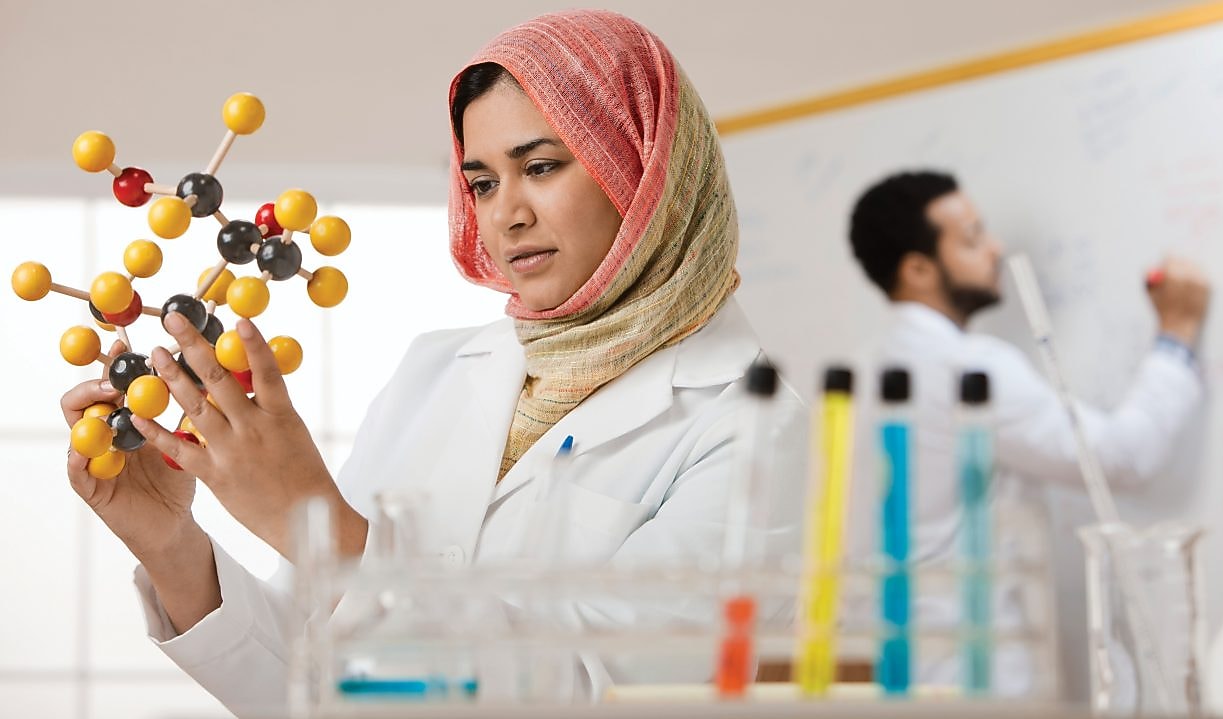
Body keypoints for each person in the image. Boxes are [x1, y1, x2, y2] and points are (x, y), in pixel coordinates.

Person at [58, 10, 804, 715]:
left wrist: (315, 525)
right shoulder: (439, 368)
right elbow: (308, 684)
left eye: (540, 166)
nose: (506, 213)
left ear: (646, 170)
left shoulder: (759, 429)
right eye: (481, 181)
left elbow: (595, 696)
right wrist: (170, 545)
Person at [846, 170, 1210, 694]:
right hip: (971, 675)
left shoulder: (860, 368)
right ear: (918, 269)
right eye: (972, 238)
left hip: (884, 671)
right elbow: (1121, 457)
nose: (995, 248)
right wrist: (1177, 333)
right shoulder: (968, 368)